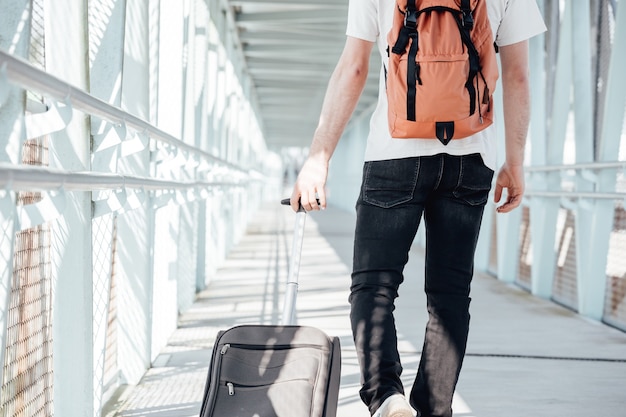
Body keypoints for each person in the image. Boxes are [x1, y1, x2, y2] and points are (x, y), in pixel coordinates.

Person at [288, 1, 546, 416]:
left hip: (394, 154)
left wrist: (319, 157)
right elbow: (517, 74)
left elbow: (353, 69)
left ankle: (387, 397)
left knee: (373, 286)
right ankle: (432, 408)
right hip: (471, 158)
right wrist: (514, 163)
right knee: (449, 295)